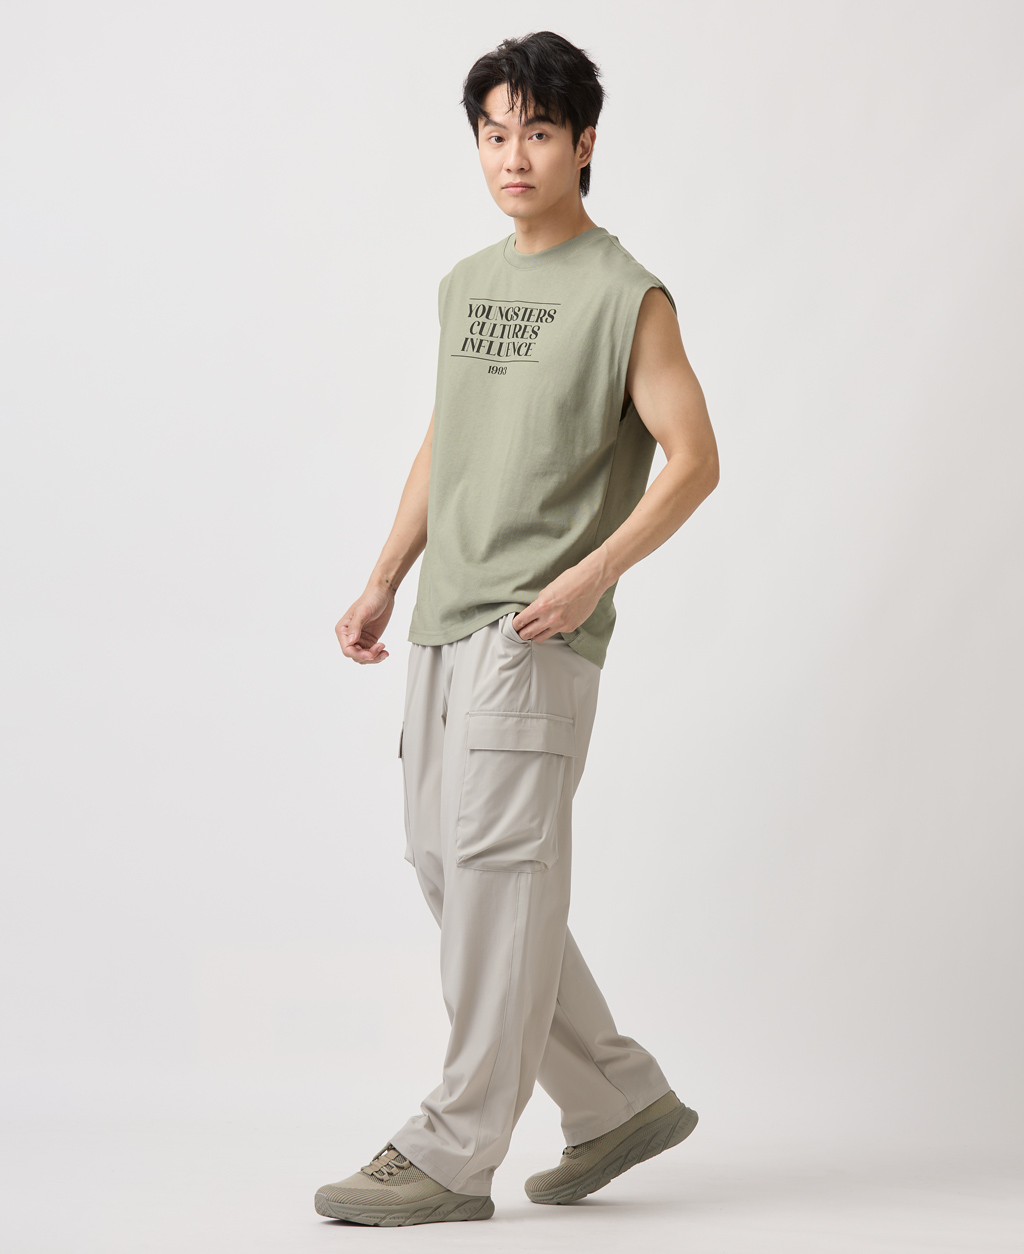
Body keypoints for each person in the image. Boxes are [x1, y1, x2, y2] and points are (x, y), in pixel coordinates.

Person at [314, 30, 720, 1227]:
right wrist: (385, 575)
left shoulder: (626, 295)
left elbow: (693, 460)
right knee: (452, 869)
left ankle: (451, 1150)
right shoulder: (465, 283)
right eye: (495, 134)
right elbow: (448, 436)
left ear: (584, 143)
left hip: (534, 629)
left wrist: (594, 576)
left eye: (537, 133)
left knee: (497, 883)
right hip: (444, 619)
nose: (513, 157)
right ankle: (617, 1099)